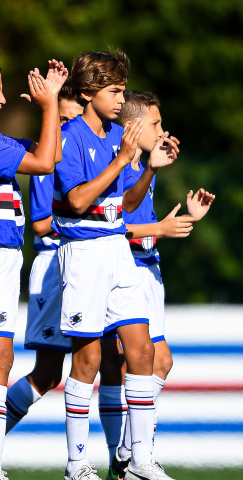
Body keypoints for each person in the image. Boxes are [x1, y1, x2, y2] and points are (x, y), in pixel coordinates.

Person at [52, 50, 178, 480]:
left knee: (142, 351)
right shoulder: (69, 136)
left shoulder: (113, 136)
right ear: (88, 93)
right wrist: (123, 161)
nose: (122, 100)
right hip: (84, 253)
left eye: (124, 90)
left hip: (117, 252)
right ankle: (76, 464)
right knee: (86, 362)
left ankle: (139, 459)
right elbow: (78, 200)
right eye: (114, 91)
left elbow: (124, 204)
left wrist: (147, 170)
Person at [0, 85, 83, 476]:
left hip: (3, 254)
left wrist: (51, 110)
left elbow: (52, 154)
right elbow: (46, 163)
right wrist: (48, 107)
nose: (3, 98)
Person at [99, 91, 215, 480]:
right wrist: (160, 229)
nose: (163, 131)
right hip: (127, 271)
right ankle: (133, 456)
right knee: (137, 360)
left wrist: (184, 221)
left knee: (159, 361)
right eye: (156, 124)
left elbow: (143, 225)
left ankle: (132, 450)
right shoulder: (117, 168)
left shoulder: (142, 167)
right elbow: (116, 224)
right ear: (132, 127)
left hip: (150, 267)